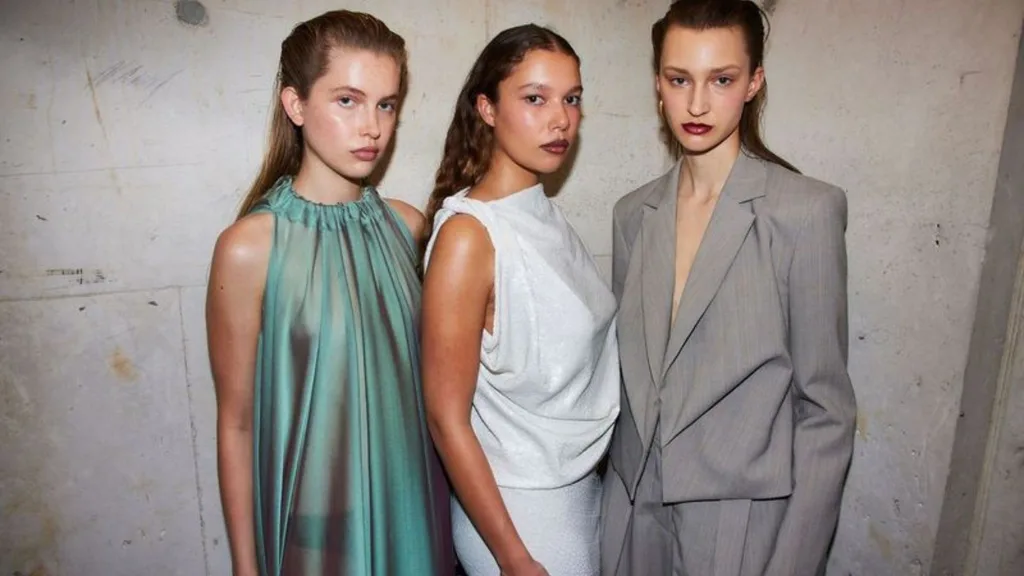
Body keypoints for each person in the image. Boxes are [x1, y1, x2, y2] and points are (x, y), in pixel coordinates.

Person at [600, 1, 857, 575]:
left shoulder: (806, 212)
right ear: (658, 86)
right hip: (632, 513)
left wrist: (792, 564)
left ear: (754, 83)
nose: (696, 104)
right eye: (678, 79)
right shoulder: (632, 215)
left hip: (741, 527)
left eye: (722, 80)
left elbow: (825, 412)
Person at [205, 10, 451, 576]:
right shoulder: (249, 248)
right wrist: (247, 569)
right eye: (348, 100)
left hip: (417, 518)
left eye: (385, 104)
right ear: (296, 105)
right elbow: (236, 423)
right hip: (315, 536)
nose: (372, 126)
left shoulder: (408, 227)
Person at [420, 24, 620, 576]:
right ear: (486, 108)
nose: (560, 119)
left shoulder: (543, 211)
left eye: (571, 99)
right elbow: (445, 417)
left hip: (582, 495)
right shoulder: (470, 237)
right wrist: (513, 557)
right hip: (523, 517)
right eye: (535, 98)